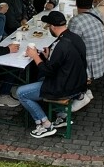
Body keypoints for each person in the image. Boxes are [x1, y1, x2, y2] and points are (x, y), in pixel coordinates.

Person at [11, 11, 87, 139]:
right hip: (78, 83)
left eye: (48, 25)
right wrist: (47, 57)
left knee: (21, 93)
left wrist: (35, 56)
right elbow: (65, 63)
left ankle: (45, 124)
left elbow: (48, 71)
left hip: (64, 88)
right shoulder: (75, 38)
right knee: (40, 78)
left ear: (53, 26)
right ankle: (61, 115)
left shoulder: (61, 45)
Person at [66, 0, 104, 97]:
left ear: (76, 3)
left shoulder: (76, 21)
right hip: (100, 63)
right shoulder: (97, 13)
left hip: (89, 68)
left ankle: (78, 94)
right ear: (91, 2)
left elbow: (69, 45)